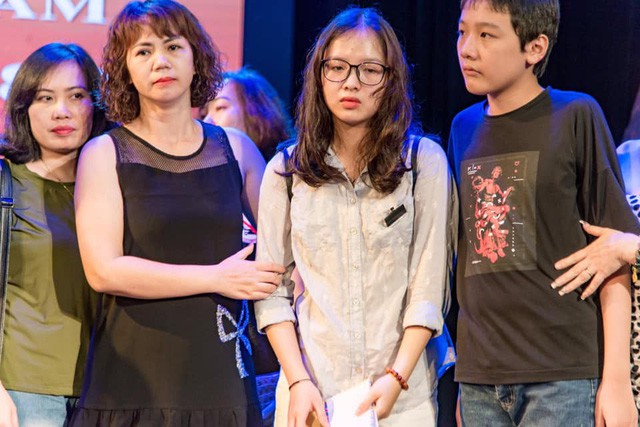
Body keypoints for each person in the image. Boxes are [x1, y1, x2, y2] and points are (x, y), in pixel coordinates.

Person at [68, 0, 285, 425]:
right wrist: (215, 277)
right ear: (125, 68)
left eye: (172, 47)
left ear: (195, 57)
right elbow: (103, 271)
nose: (160, 62)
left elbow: (285, 249)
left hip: (221, 372)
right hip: (134, 378)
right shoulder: (104, 153)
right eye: (143, 51)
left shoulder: (236, 149)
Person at [255, 7, 456, 426]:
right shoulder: (285, 172)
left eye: (369, 70)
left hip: (401, 396)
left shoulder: (423, 163)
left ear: (390, 78)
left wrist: (397, 376)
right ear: (319, 74)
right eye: (337, 67)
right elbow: (272, 293)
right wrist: (298, 381)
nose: (351, 82)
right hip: (312, 393)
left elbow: (429, 286)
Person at [448, 0, 639, 425]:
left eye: (486, 34)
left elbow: (613, 254)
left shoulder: (575, 115)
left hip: (561, 375)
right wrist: (468, 373)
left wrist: (616, 381)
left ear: (534, 48)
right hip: (481, 380)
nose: (467, 48)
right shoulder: (463, 128)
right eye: (462, 32)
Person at [0, 42, 107, 426]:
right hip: (24, 391)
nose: (61, 111)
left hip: (109, 388)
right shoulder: (7, 182)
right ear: (24, 109)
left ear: (96, 104)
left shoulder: (118, 185)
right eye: (45, 98)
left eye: (76, 96)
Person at [203, 67, 293, 161]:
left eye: (220, 107)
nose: (206, 121)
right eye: (203, 115)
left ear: (255, 110)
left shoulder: (286, 163)